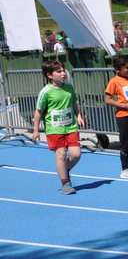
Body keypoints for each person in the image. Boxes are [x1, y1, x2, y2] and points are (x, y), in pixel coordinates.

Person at [32, 60, 85, 195]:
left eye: (63, 71)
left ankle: (64, 170)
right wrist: (36, 130)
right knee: (61, 155)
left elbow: (74, 102)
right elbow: (38, 112)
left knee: (76, 154)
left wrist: (79, 116)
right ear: (49, 75)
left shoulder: (69, 87)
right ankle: (65, 183)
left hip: (70, 127)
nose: (63, 73)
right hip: (54, 128)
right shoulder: (45, 92)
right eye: (59, 71)